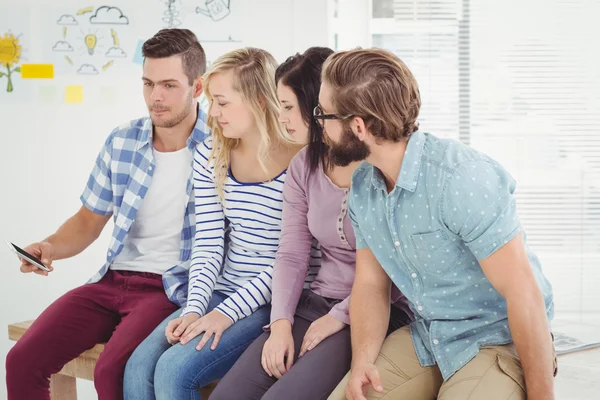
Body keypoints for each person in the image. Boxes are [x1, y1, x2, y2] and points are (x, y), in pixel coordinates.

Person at [320, 48, 556, 400]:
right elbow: (370, 284)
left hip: (497, 339)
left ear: (357, 127)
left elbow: (524, 294)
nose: (319, 123)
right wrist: (363, 363)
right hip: (428, 336)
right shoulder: (363, 188)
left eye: (324, 114)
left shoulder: (460, 178)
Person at [5, 28, 209, 400]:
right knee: (21, 361)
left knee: (112, 371)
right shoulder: (123, 140)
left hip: (171, 288)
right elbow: (88, 220)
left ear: (197, 88)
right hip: (112, 281)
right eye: (148, 83)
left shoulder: (222, 148)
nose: (155, 97)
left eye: (168, 85)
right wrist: (48, 247)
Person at [210, 47, 412, 400]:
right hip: (315, 301)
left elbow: (396, 268)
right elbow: (292, 253)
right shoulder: (304, 164)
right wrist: (281, 324)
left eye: (287, 106)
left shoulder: (378, 163)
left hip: (374, 310)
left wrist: (339, 317)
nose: (280, 116)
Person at [123, 47, 302, 400]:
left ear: (259, 101)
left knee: (175, 372)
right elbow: (208, 242)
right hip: (221, 288)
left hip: (271, 299)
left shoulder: (300, 159)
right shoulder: (211, 153)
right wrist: (194, 308)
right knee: (138, 368)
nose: (211, 114)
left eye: (222, 102)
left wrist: (224, 314)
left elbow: (293, 260)